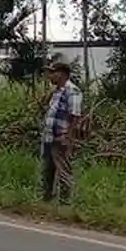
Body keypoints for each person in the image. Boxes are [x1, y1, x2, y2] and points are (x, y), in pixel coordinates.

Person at [40, 61, 83, 204]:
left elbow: (75, 116)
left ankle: (65, 203)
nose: (50, 76)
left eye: (53, 72)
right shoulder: (57, 91)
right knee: (48, 170)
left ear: (62, 74)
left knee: (64, 170)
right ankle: (46, 200)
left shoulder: (72, 91)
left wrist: (68, 137)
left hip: (61, 137)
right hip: (49, 137)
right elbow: (46, 106)